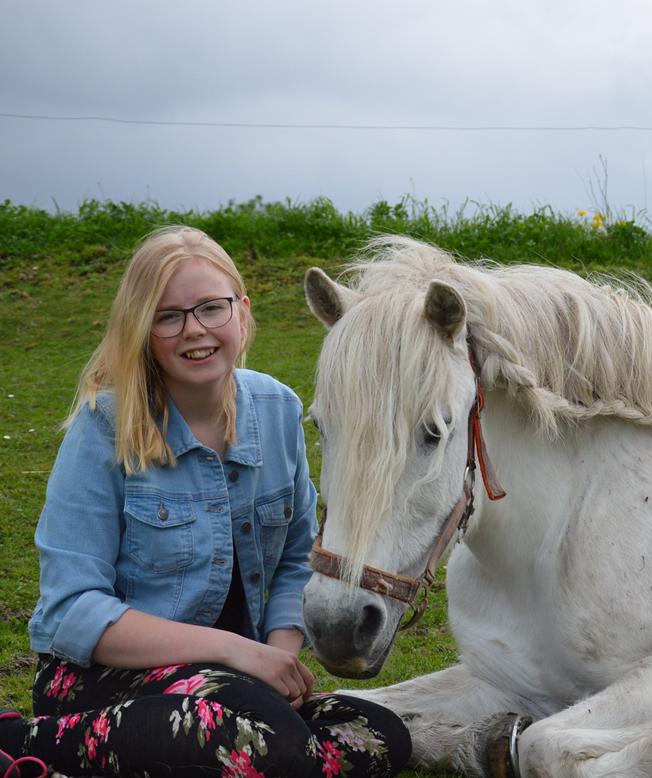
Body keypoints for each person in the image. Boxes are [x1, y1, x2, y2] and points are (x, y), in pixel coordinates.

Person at [0, 226, 411, 776]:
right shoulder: (104, 427)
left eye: (211, 308)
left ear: (242, 312)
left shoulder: (279, 409)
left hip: (239, 686)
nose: (194, 330)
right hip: (99, 678)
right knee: (273, 742)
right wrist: (234, 650)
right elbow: (72, 610)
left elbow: (296, 556)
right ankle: (21, 740)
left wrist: (281, 653)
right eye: (168, 316)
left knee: (380, 734)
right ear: (142, 331)